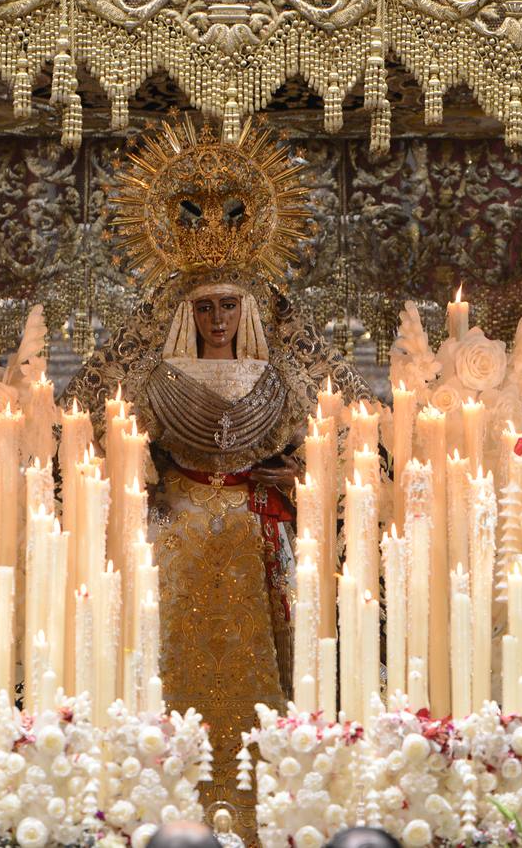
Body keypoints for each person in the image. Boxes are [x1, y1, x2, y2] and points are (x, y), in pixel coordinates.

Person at [62, 118, 371, 831]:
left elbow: (328, 432)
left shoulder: (278, 374)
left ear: (248, 308)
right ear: (186, 314)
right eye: (206, 307)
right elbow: (110, 431)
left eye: (230, 305)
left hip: (256, 530)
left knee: (271, 670)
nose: (220, 318)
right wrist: (141, 468)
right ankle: (170, 812)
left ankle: (270, 811)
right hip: (178, 533)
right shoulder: (160, 375)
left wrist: (296, 474)